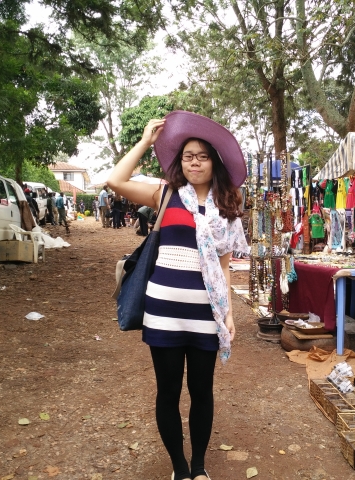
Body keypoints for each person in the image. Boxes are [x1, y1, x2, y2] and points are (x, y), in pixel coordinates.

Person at [107, 111, 248, 480]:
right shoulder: (165, 194)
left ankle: (199, 467)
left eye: (202, 156)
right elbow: (115, 180)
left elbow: (224, 268)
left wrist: (229, 314)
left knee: (202, 392)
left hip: (205, 315)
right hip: (163, 313)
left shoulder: (227, 207)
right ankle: (180, 469)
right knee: (168, 392)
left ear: (214, 162)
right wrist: (145, 142)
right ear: (180, 161)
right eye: (188, 156)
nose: (194, 163)